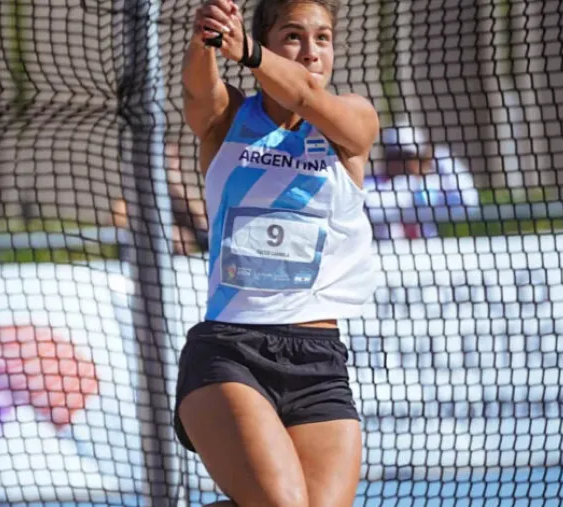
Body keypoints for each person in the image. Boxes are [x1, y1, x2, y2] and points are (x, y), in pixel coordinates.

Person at [175, 0, 380, 506]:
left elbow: (308, 94)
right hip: (230, 353)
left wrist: (248, 51)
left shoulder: (351, 119)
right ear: (266, 42)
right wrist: (210, 33)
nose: (311, 52)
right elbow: (198, 87)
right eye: (293, 36)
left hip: (317, 361)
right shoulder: (228, 120)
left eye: (323, 38)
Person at [364, 124, 479, 239]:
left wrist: (441, 157)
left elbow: (469, 202)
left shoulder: (430, 185)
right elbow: (372, 210)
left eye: (408, 157)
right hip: (387, 253)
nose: (403, 163)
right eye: (396, 156)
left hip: (427, 253)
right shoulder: (371, 186)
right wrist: (410, 190)